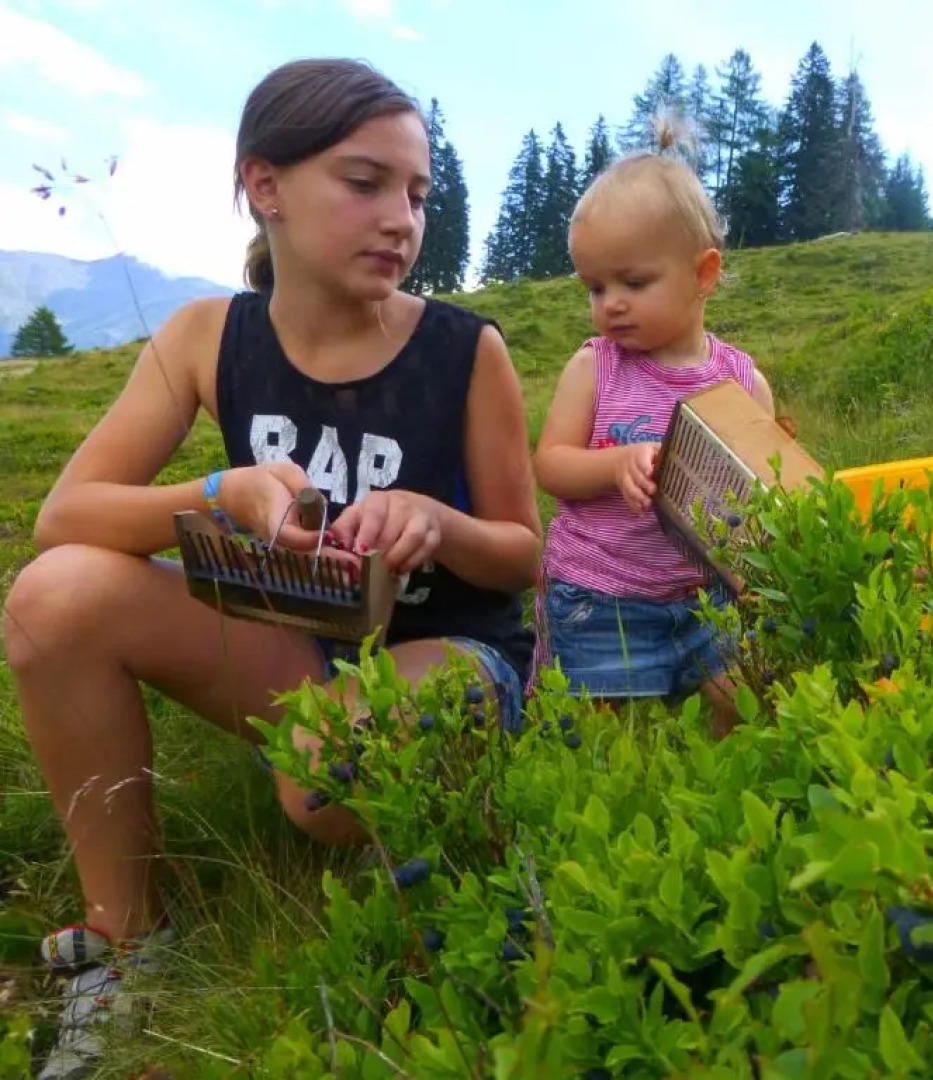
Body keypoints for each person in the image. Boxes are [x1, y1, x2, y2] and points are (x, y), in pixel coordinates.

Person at [1, 58, 541, 1079]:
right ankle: (125, 942)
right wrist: (220, 494)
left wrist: (434, 519)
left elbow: (523, 552)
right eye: (364, 182)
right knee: (50, 600)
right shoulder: (208, 337)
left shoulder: (468, 352)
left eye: (418, 194)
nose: (402, 219)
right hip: (294, 650)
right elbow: (63, 516)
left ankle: (393, 794)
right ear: (265, 186)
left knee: (321, 785)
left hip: (451, 655)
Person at [530, 115, 774, 737]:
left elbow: (763, 498)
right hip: (599, 593)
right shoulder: (596, 367)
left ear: (703, 274)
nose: (609, 302)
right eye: (594, 286)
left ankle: (718, 810)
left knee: (741, 705)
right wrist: (615, 464)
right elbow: (551, 463)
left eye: (633, 282)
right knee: (592, 738)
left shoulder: (742, 383)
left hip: (705, 595)